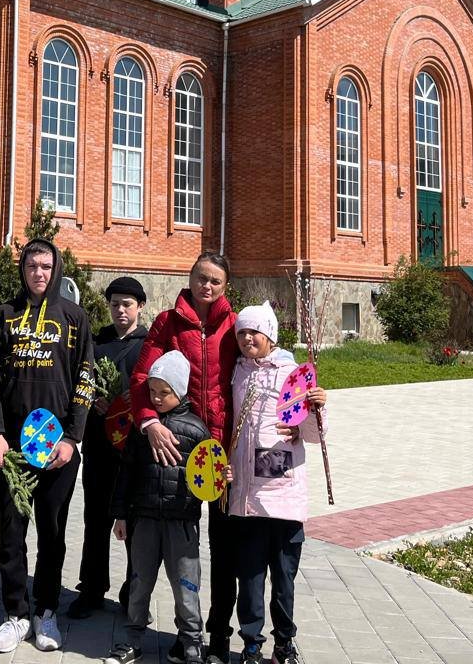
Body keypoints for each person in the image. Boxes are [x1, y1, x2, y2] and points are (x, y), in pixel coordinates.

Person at [0, 239, 95, 653]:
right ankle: (15, 614)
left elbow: (85, 379)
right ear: (23, 269)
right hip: (12, 451)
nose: (39, 273)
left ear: (56, 268)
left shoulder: (75, 318)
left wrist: (71, 438)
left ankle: (47, 612)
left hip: (58, 452)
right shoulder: (5, 316)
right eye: (32, 266)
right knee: (10, 535)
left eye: (46, 266)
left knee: (52, 532)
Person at [130, 253, 237, 664]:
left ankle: (218, 636)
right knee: (178, 543)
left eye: (215, 281)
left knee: (223, 549)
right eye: (201, 278)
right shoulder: (167, 322)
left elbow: (258, 362)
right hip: (175, 448)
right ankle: (163, 627)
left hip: (220, 452)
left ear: (225, 287)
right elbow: (142, 377)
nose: (206, 287)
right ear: (189, 278)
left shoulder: (233, 323)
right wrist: (148, 422)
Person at [224, 302, 328, 664]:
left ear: (270, 335)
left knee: (284, 580)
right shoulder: (237, 372)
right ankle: (251, 642)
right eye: (242, 332)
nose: (248, 338)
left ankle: (285, 642)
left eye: (255, 332)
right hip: (247, 500)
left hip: (284, 500)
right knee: (249, 579)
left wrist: (315, 410)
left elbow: (315, 436)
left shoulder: (292, 373)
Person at [106, 351, 209, 664]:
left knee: (186, 588)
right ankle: (132, 640)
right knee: (140, 584)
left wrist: (219, 480)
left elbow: (208, 479)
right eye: (152, 392)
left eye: (165, 392)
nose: (157, 398)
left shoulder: (195, 430)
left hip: (182, 525)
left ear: (180, 390)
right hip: (145, 521)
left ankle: (191, 645)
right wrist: (121, 515)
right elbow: (127, 472)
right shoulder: (142, 429)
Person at [69, 276, 149, 620]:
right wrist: (94, 400)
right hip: (100, 446)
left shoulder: (149, 346)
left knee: (134, 522)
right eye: (115, 304)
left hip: (134, 449)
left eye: (127, 304)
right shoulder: (96, 342)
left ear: (140, 307)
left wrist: (135, 400)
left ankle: (134, 592)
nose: (120, 310)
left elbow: (158, 388)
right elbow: (80, 380)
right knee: (96, 519)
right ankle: (91, 588)